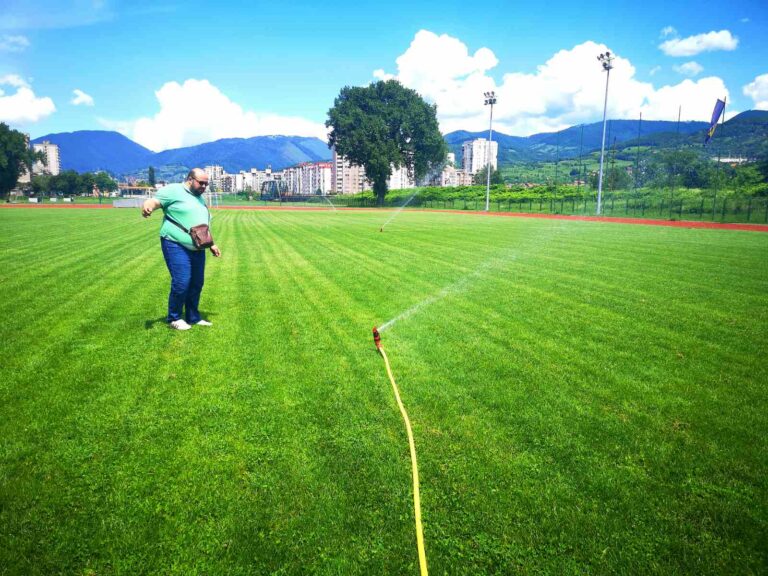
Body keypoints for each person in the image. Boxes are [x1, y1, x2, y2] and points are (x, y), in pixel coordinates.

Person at [142, 168, 221, 330]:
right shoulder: (173, 190)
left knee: (197, 283)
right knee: (182, 281)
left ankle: (193, 317)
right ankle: (174, 318)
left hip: (198, 247)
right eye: (201, 183)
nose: (204, 187)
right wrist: (147, 206)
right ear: (190, 179)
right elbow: (155, 202)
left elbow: (202, 224)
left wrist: (211, 244)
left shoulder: (200, 199)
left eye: (207, 184)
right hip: (174, 243)